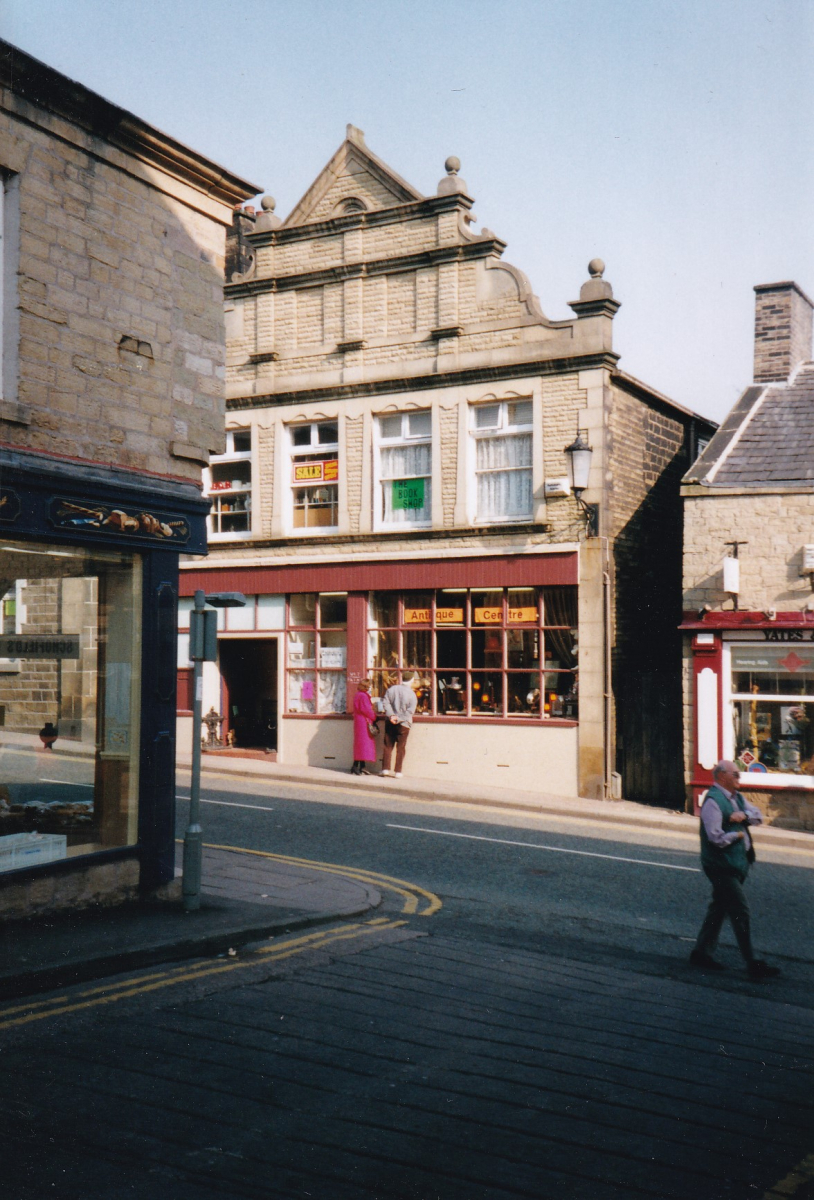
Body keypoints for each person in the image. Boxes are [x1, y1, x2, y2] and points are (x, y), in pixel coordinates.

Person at [690, 759, 779, 980]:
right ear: (722, 776)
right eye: (736, 775)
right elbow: (715, 837)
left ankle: (701, 952)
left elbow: (757, 816)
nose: (739, 778)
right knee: (740, 911)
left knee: (719, 907)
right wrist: (738, 834)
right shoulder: (713, 801)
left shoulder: (737, 798)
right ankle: (752, 962)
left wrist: (744, 816)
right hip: (721, 866)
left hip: (736, 863)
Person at [381, 672, 417, 778]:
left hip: (390, 722)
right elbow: (410, 710)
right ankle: (398, 771)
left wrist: (392, 715)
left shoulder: (391, 689)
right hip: (404, 724)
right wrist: (399, 718)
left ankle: (385, 769)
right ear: (411, 681)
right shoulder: (412, 694)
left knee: (388, 746)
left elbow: (385, 703)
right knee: (401, 748)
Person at [350, 680, 378, 775]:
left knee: (360, 744)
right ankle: (355, 766)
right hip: (364, 722)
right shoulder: (363, 696)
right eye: (369, 686)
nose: (369, 688)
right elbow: (366, 709)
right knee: (363, 744)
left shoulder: (358, 694)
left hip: (359, 721)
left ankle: (362, 766)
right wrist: (374, 716)